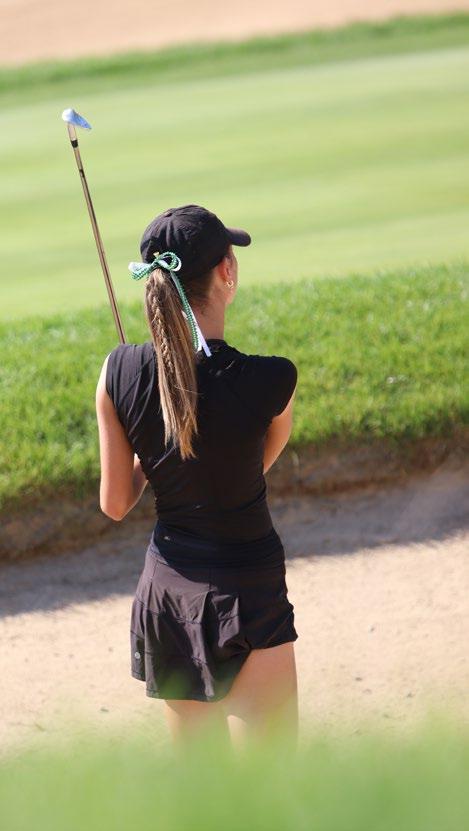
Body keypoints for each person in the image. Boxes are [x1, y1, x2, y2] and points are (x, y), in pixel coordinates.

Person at [95, 204, 299, 750]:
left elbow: (115, 502)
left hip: (168, 594)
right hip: (248, 588)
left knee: (201, 787)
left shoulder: (116, 372)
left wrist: (157, 454)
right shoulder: (273, 379)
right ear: (226, 273)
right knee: (275, 782)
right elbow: (250, 467)